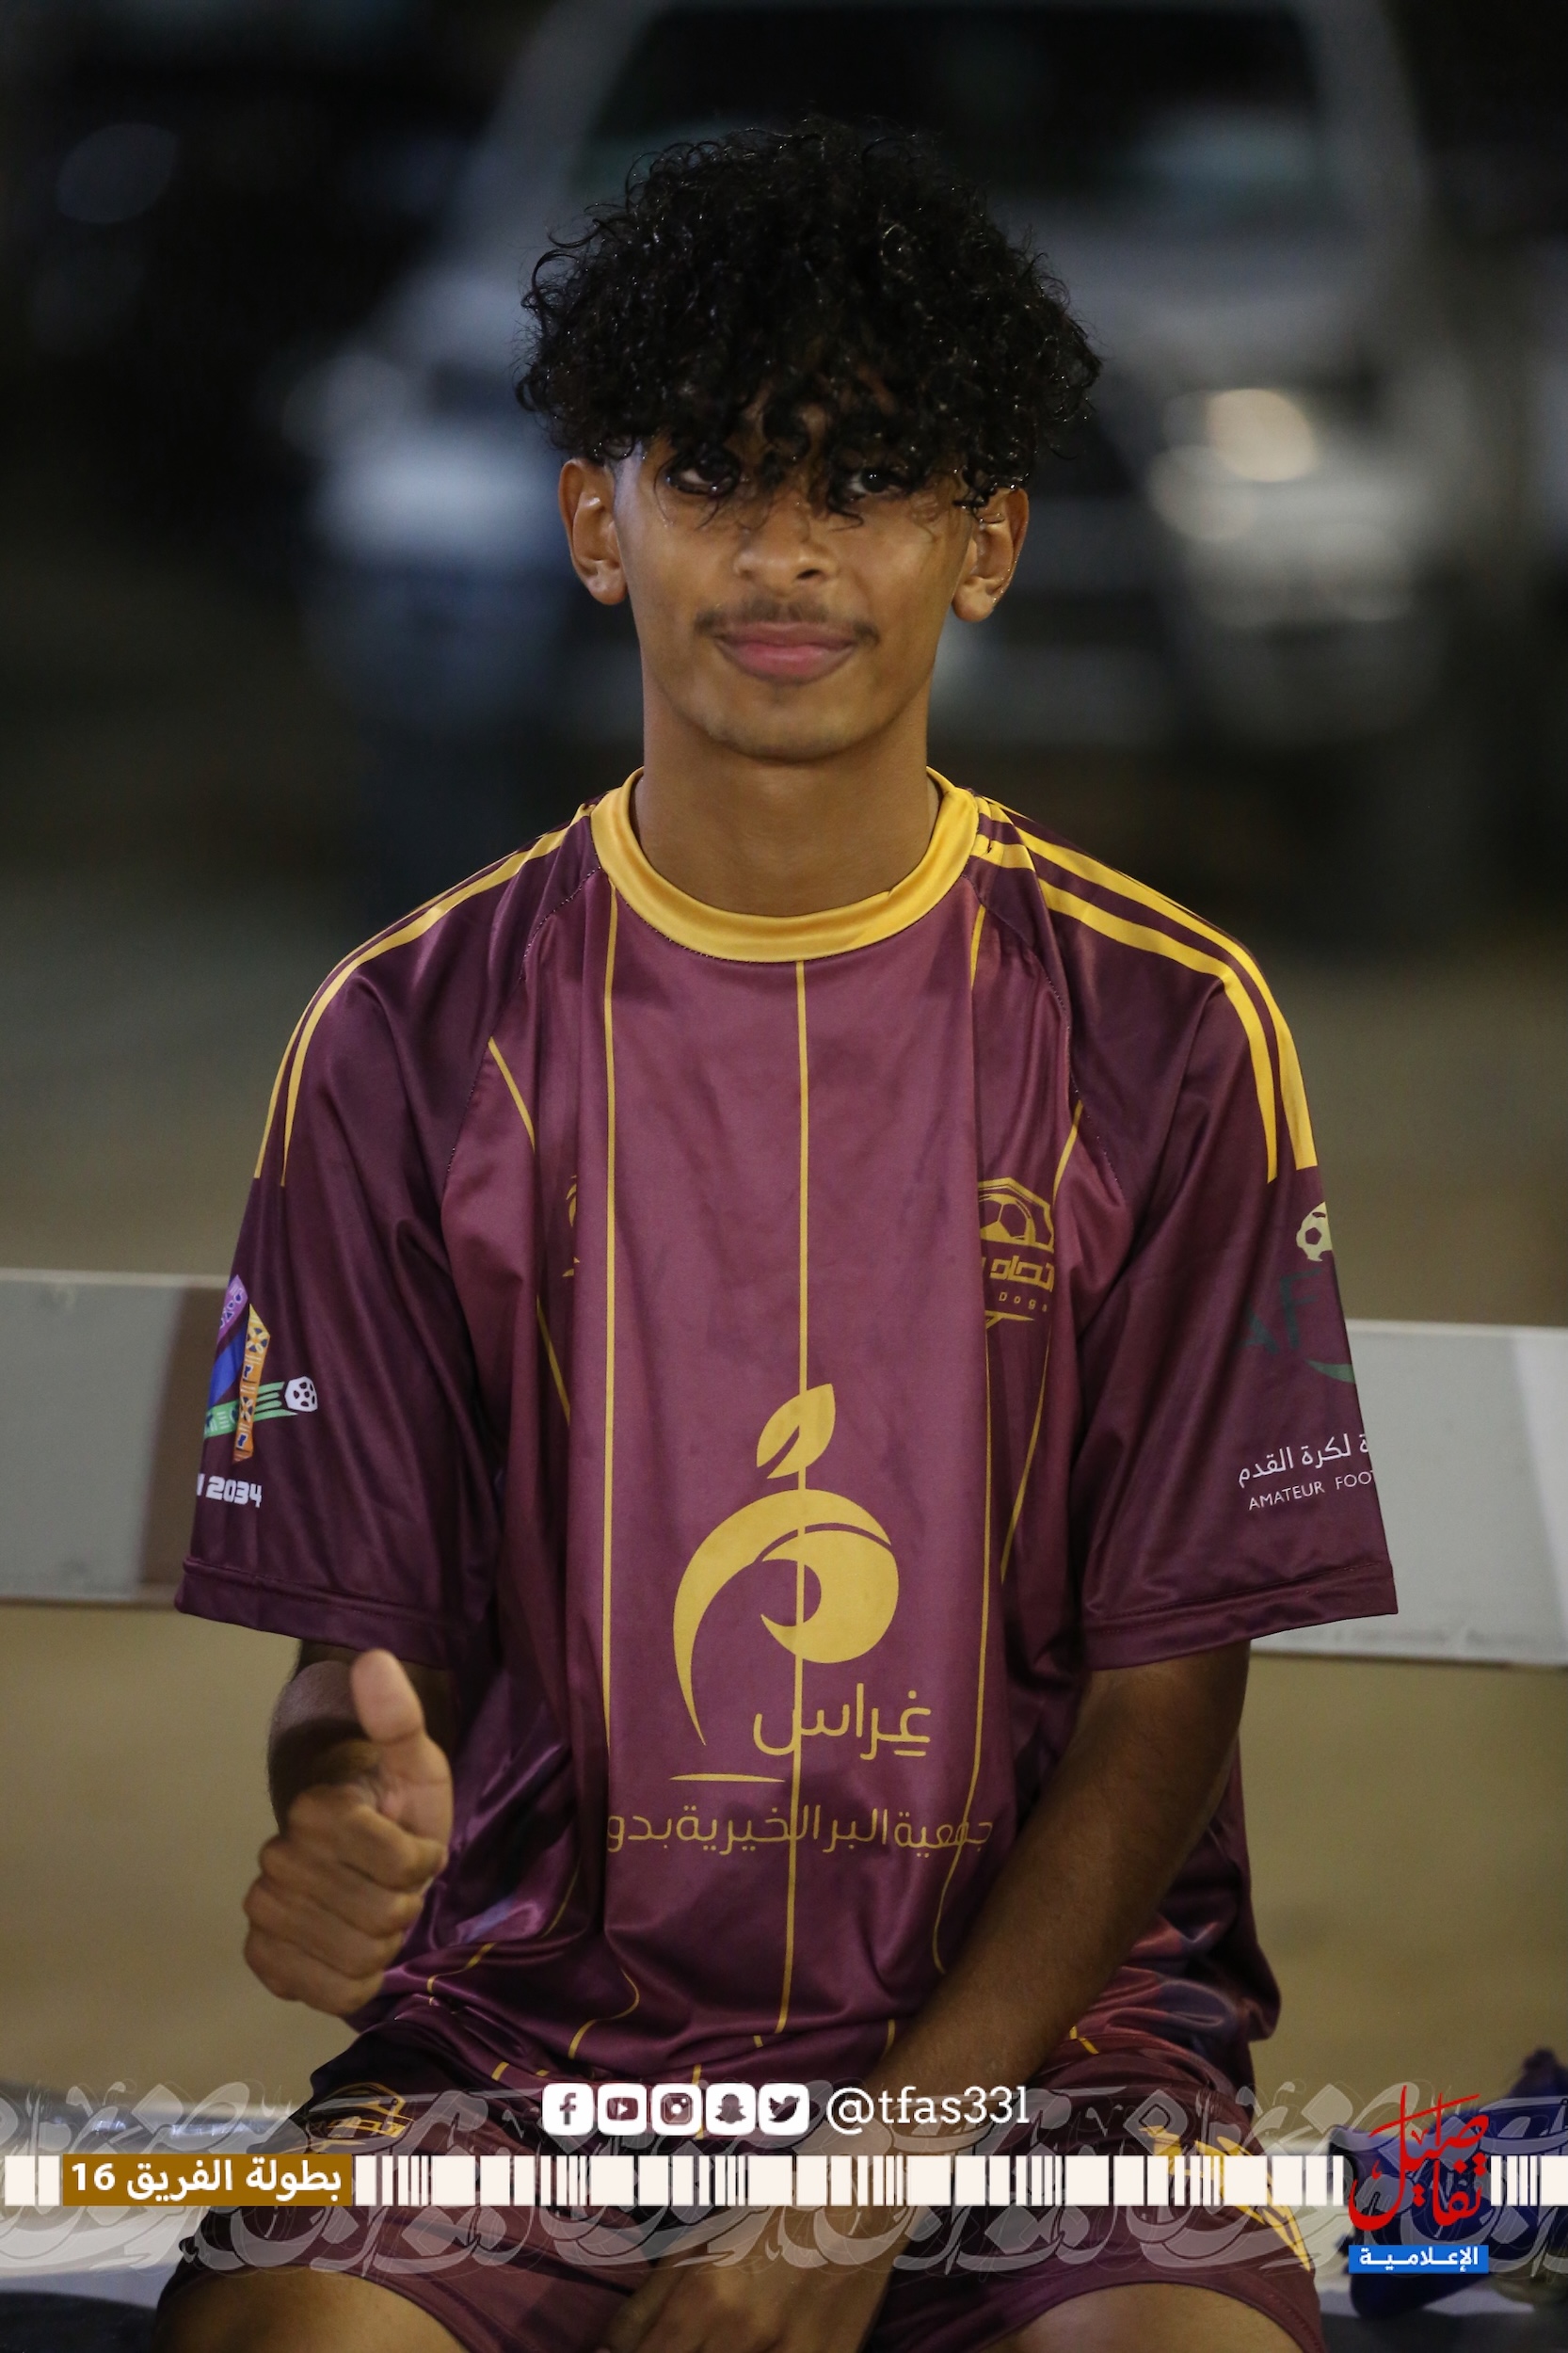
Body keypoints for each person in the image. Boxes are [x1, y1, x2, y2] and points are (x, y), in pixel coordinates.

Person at [153, 121, 1395, 2353]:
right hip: (529, 2066)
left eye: (868, 481)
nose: (786, 552)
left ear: (985, 541)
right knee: (290, 2331)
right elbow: (362, 1663)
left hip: (1045, 2083)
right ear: (592, 524)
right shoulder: (401, 1034)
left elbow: (1162, 1695)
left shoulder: (1165, 1026)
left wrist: (856, 2183)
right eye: (715, 476)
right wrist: (340, 1790)